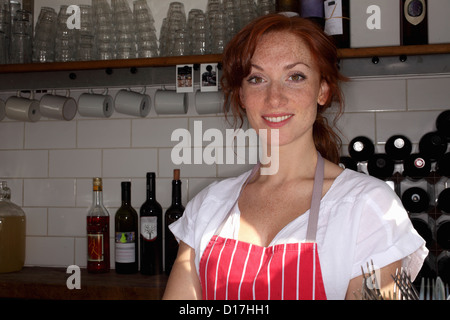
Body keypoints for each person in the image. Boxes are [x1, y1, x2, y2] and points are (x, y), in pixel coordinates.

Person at [163, 13, 428, 300]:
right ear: (241, 95)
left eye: (295, 77)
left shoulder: (368, 207)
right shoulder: (208, 206)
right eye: (257, 78)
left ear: (323, 90)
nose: (274, 98)